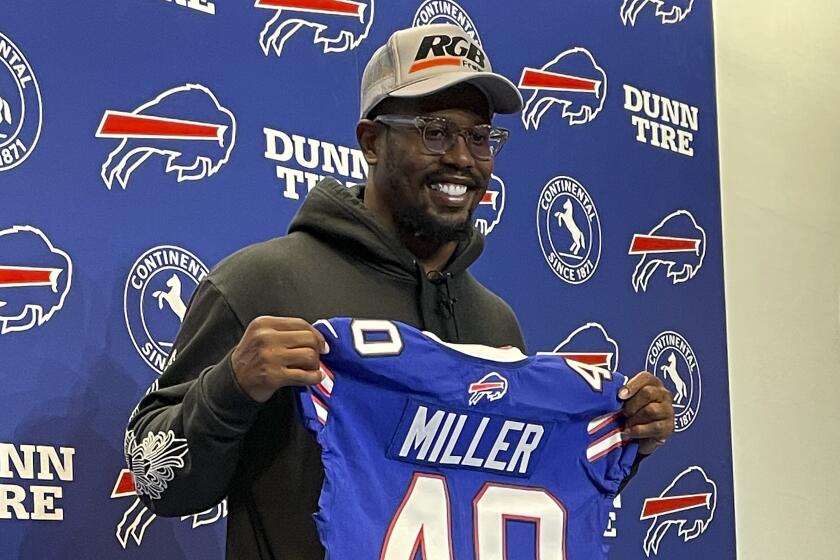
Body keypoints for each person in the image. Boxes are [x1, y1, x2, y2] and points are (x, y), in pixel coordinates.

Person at [124, 23, 674, 559]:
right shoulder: (259, 283)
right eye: (435, 131)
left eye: (480, 137)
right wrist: (232, 387)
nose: (462, 157)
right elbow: (156, 481)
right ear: (372, 141)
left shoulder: (495, 322)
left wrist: (624, 436)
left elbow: (507, 503)